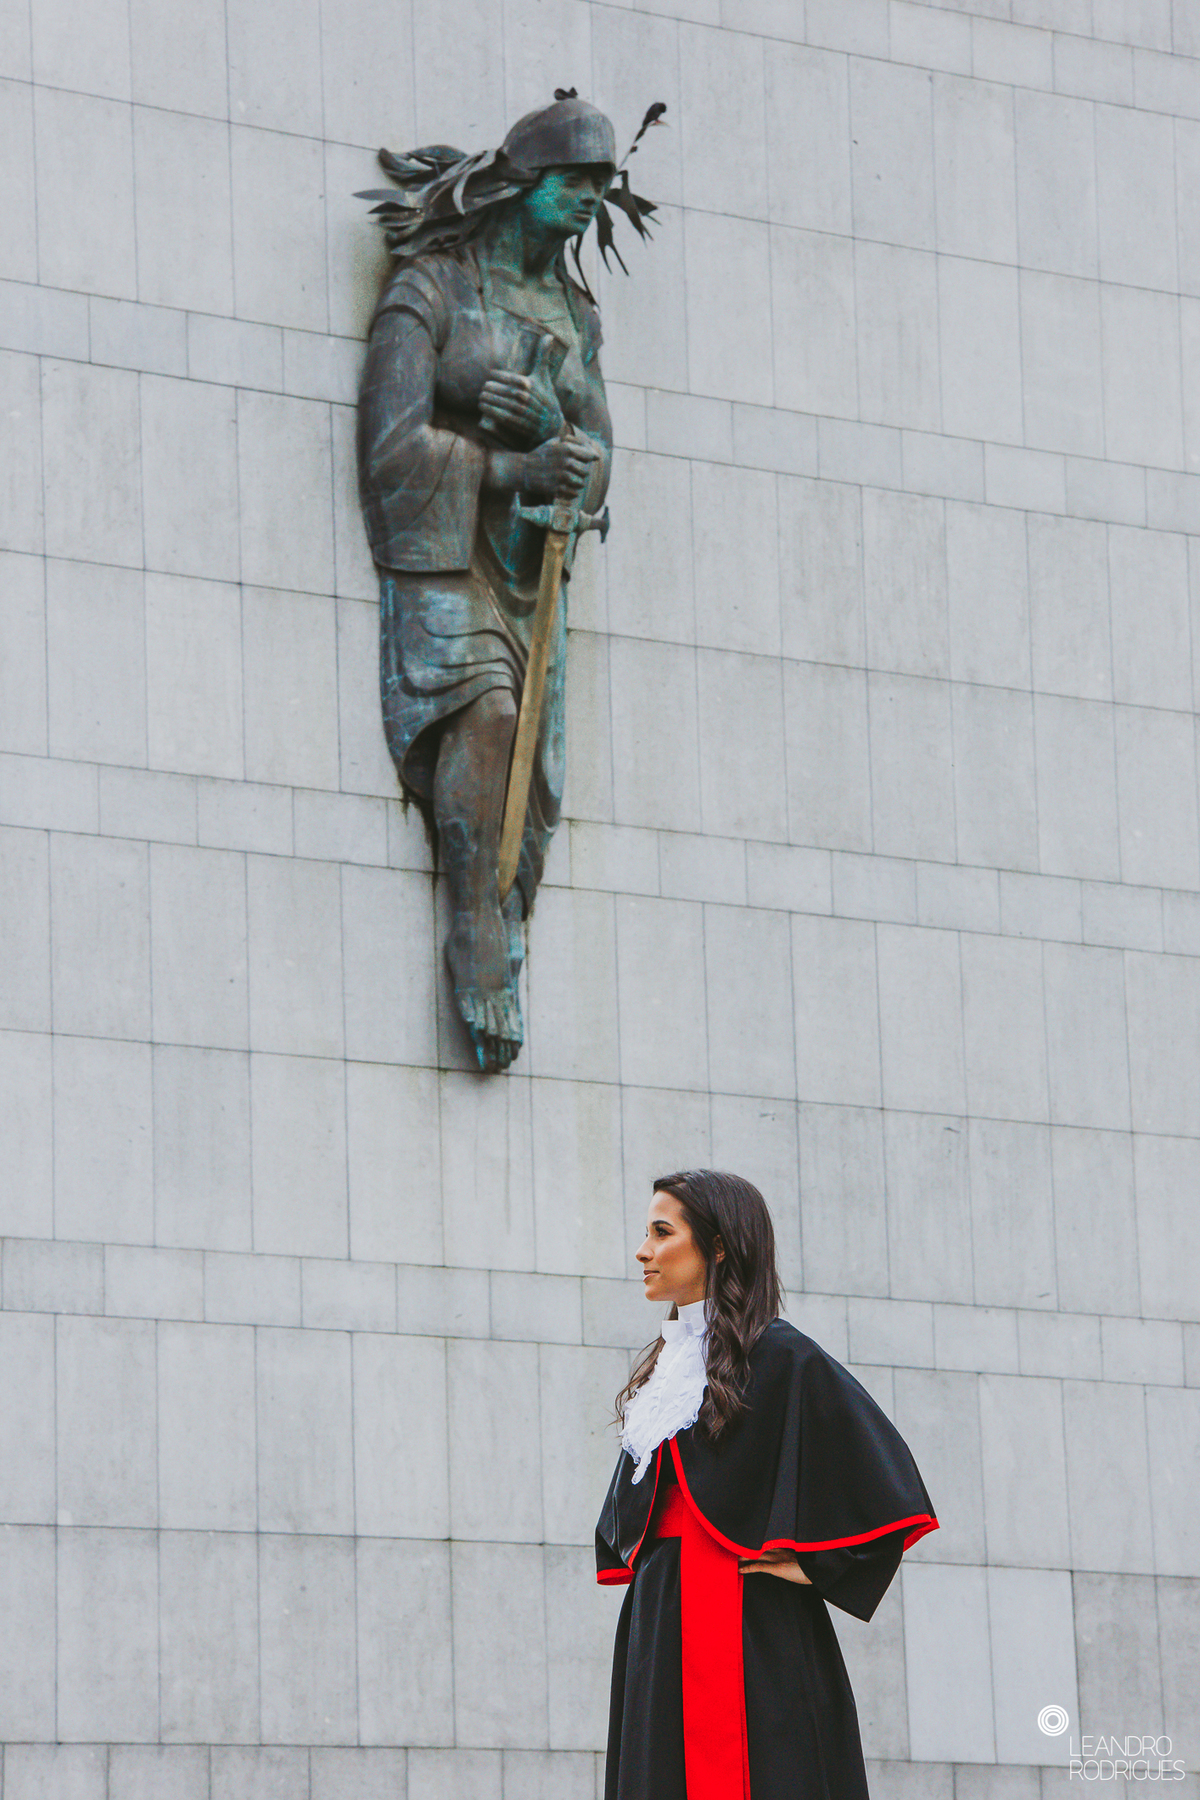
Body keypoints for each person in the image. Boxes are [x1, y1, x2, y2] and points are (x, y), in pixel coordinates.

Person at [356, 98, 616, 1074]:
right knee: (488, 716)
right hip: (442, 564)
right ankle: (474, 939)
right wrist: (507, 466)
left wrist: (554, 430)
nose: (590, 202)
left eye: (602, 188)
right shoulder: (432, 289)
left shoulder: (573, 315)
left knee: (525, 788)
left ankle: (499, 912)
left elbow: (601, 463)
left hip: (527, 570)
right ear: (523, 184)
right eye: (575, 183)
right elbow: (390, 447)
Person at [596, 1170, 938, 1800]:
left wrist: (816, 1565)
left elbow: (887, 1484)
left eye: (661, 1232)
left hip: (750, 1629)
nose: (642, 1251)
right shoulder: (666, 1367)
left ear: (719, 1247)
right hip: (659, 1627)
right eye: (645, 1233)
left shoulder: (781, 1356)